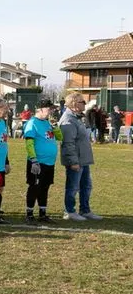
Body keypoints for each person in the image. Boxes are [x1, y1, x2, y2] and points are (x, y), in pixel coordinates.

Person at [59, 92, 102, 221]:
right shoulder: (68, 120)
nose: (84, 104)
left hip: (83, 159)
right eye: (82, 102)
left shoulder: (77, 118)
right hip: (76, 160)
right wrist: (73, 161)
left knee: (86, 186)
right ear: (74, 104)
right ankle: (70, 211)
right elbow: (68, 143)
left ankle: (85, 210)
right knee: (73, 187)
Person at [23, 99, 62, 224]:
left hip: (49, 163)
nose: (51, 111)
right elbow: (29, 143)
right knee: (34, 187)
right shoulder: (32, 123)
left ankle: (42, 213)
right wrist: (34, 160)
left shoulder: (48, 123)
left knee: (45, 188)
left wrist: (55, 127)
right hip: (38, 162)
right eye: (48, 109)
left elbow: (60, 137)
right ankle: (29, 214)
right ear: (40, 109)